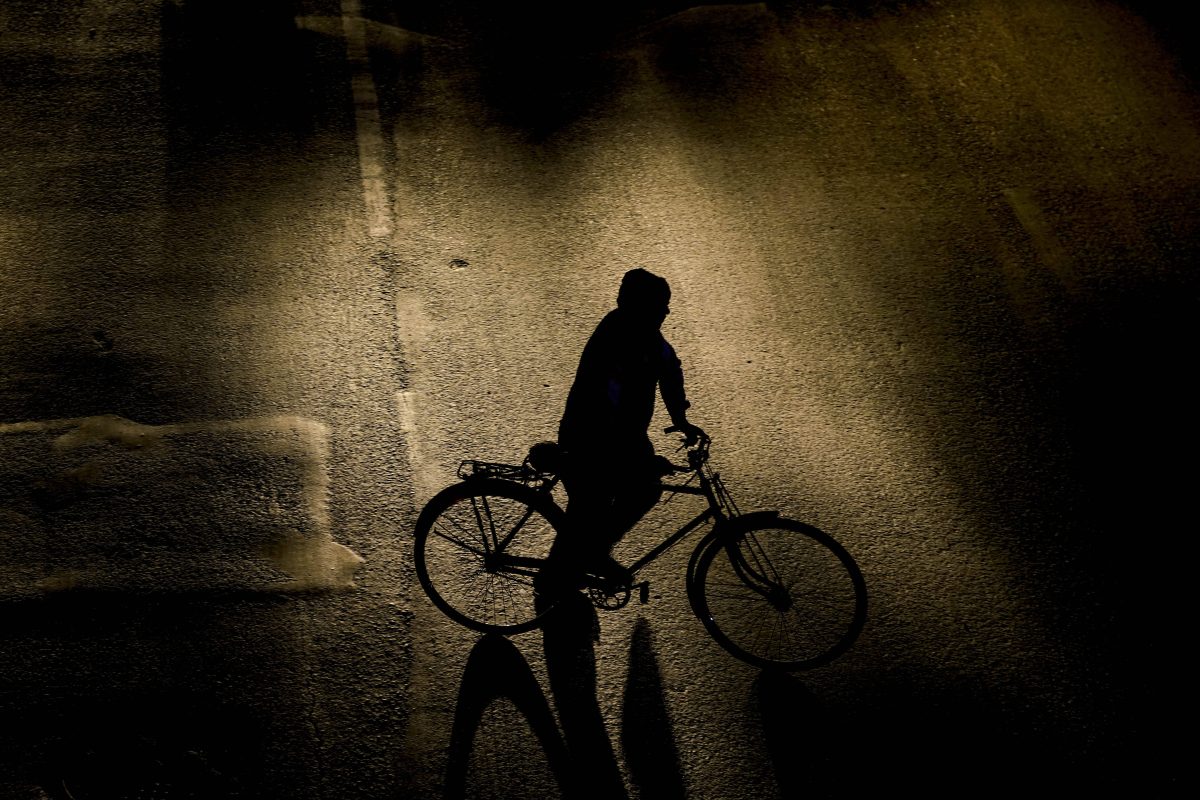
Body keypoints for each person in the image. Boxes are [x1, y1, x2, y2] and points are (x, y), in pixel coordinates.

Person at [539, 268, 704, 593]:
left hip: (621, 437)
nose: (667, 311)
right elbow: (608, 402)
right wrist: (637, 458)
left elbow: (671, 373)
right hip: (590, 436)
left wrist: (681, 420)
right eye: (660, 305)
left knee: (603, 506)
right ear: (640, 306)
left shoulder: (648, 338)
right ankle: (580, 564)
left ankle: (571, 568)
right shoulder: (616, 337)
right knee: (597, 502)